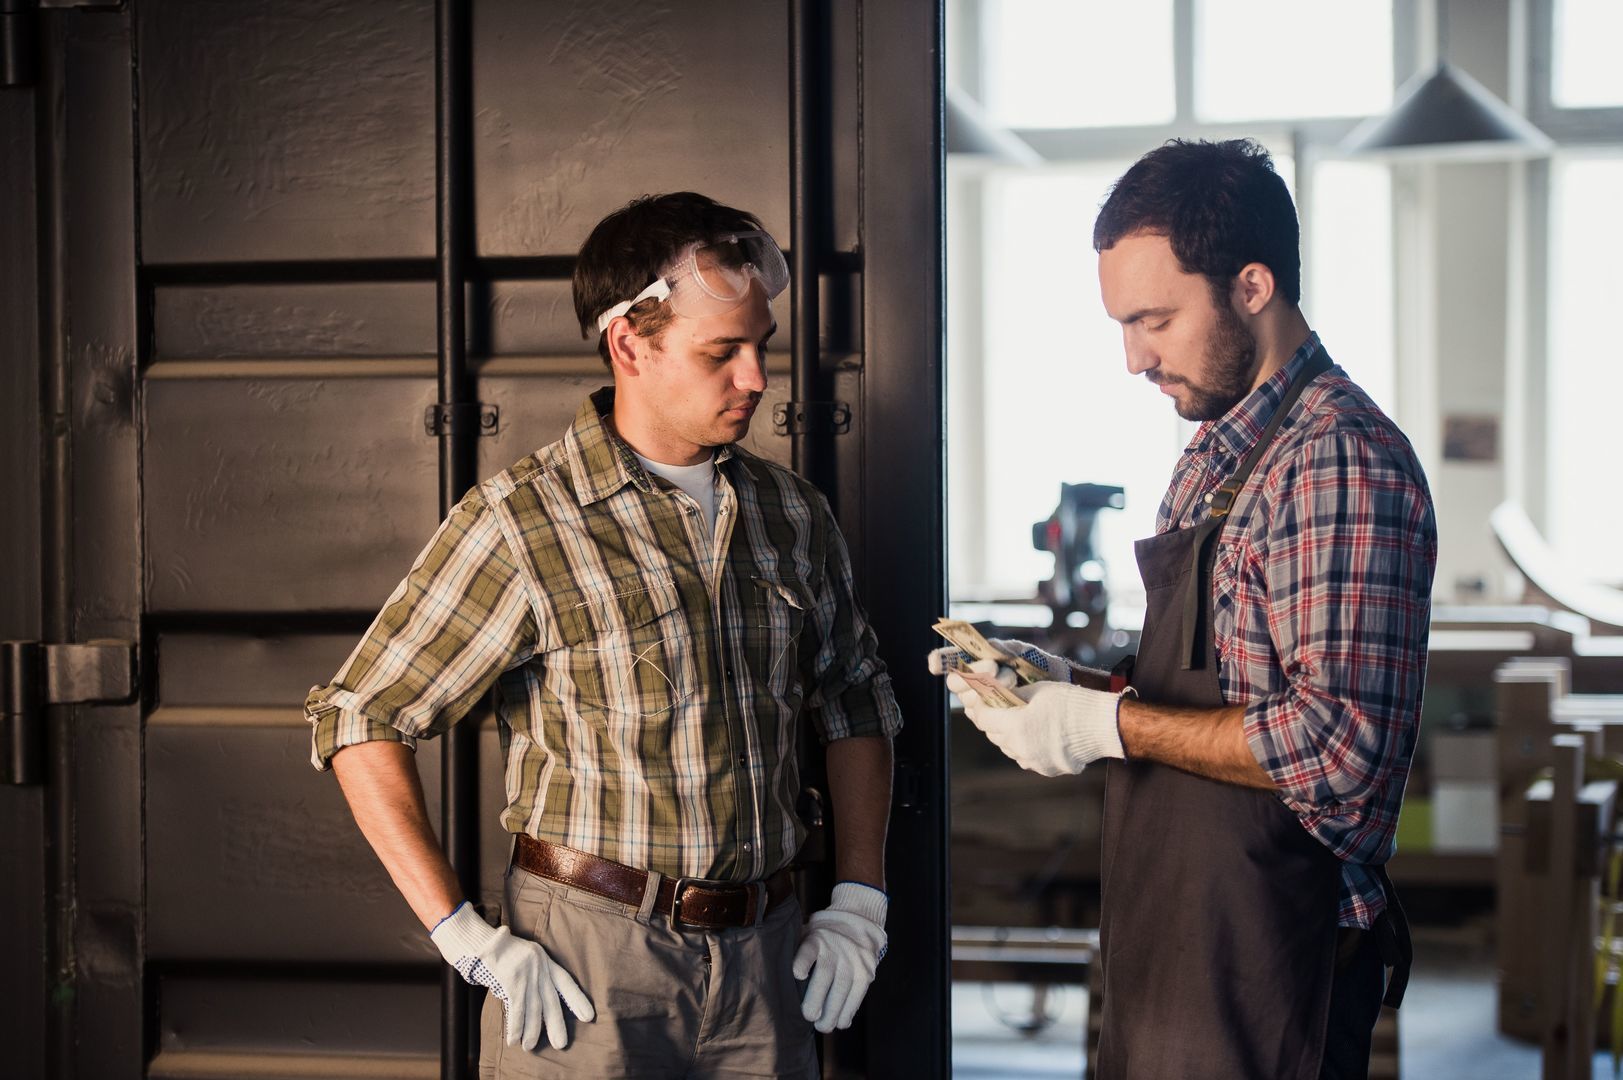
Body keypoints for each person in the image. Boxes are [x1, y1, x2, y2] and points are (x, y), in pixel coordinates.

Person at [305, 192, 901, 1079]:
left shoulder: (791, 514)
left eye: (760, 345)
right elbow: (359, 717)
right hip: (589, 966)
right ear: (631, 344)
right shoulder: (521, 522)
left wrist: (859, 899)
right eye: (721, 353)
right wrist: (461, 932)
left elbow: (856, 699)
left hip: (770, 962)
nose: (756, 380)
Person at [930, 139, 1436, 1080]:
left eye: (1154, 319)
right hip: (1174, 938)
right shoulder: (1213, 456)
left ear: (1251, 285)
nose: (1133, 358)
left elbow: (1338, 750)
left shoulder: (1335, 458)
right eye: (1121, 324)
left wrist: (1106, 724)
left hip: (1272, 962)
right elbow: (1214, 691)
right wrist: (1054, 686)